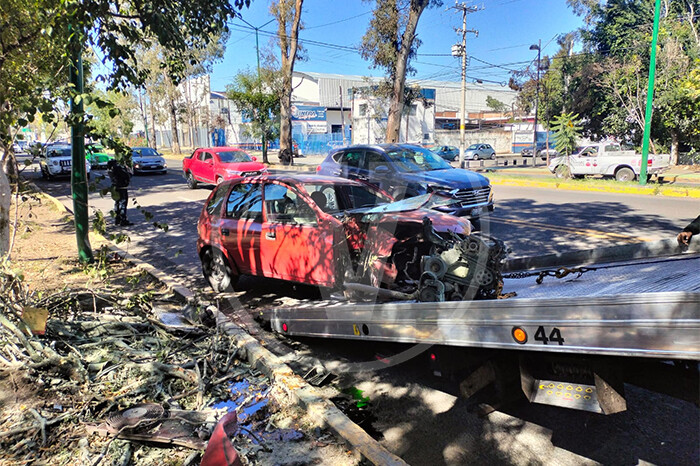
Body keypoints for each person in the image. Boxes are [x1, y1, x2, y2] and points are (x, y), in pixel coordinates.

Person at [107, 159, 133, 226]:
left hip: (115, 188)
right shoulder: (118, 169)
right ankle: (123, 220)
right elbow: (127, 175)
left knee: (117, 203)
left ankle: (117, 219)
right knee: (123, 204)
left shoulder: (110, 170)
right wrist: (127, 170)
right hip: (122, 187)